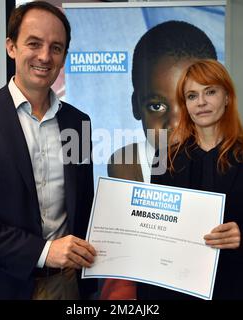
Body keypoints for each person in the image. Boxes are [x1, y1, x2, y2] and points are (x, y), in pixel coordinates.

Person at [0, 1, 96, 300]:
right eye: (34, 44)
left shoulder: (79, 122)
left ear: (63, 58)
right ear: (11, 47)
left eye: (56, 48)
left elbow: (83, 205)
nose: (45, 56)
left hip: (65, 285)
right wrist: (43, 251)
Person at [137, 59, 243, 299]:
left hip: (232, 287)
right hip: (173, 289)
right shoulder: (165, 158)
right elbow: (156, 230)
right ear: (185, 105)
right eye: (192, 96)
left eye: (210, 92)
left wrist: (242, 237)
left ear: (227, 97)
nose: (201, 102)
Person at [101, 21, 217, 299]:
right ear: (135, 105)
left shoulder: (230, 160)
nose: (175, 123)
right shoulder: (127, 163)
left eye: (189, 100)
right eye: (157, 106)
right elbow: (125, 262)